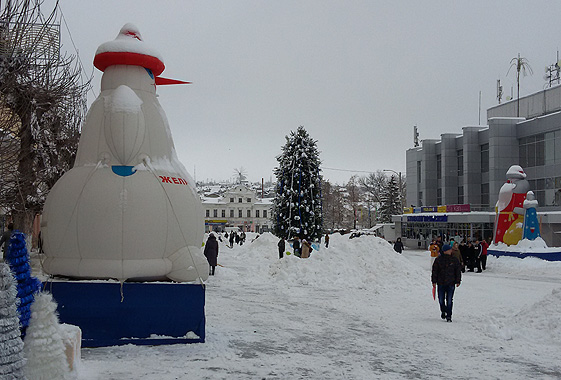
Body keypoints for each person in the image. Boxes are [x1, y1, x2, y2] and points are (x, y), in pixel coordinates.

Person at [431, 244, 461, 322]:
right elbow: (435, 271)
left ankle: (449, 315)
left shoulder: (454, 260)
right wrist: (434, 281)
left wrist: (458, 280)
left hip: (451, 283)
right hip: (441, 283)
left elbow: (458, 270)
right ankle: (443, 310)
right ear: (445, 251)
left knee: (449, 300)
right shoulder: (438, 260)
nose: (451, 250)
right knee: (441, 300)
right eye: (449, 249)